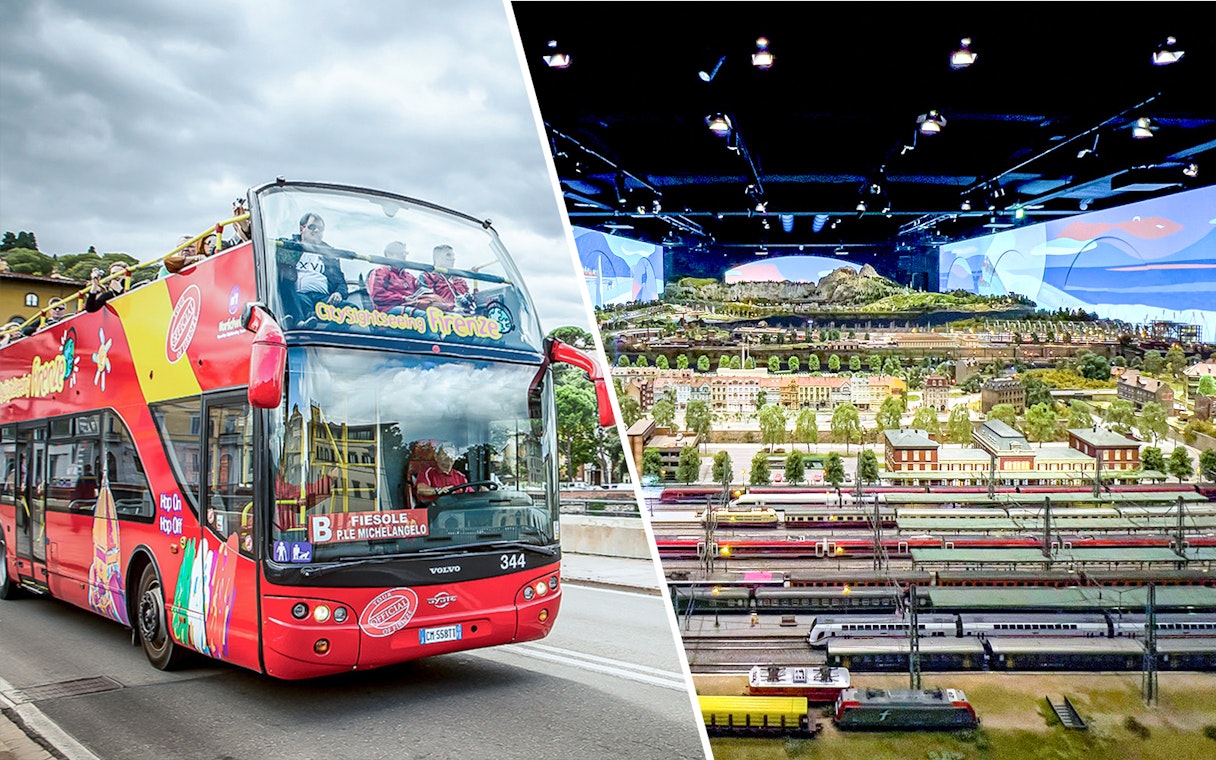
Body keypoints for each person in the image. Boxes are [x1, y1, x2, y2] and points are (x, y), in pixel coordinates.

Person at [287, 213, 351, 325]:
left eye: (320, 229)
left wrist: (338, 294)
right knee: (301, 303)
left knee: (350, 310)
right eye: (312, 227)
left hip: (323, 300)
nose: (316, 231)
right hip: (298, 296)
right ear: (302, 228)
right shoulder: (288, 247)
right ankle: (303, 323)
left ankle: (328, 338)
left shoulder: (329, 255)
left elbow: (341, 283)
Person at [417, 244, 475, 314]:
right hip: (441, 320)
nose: (453, 258)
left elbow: (472, 301)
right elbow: (427, 303)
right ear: (438, 258)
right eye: (448, 255)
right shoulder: (427, 276)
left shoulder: (459, 280)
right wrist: (453, 307)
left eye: (453, 255)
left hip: (468, 319)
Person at [367, 240, 420, 313]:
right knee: (425, 316)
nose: (404, 256)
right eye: (401, 253)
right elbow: (377, 296)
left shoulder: (409, 276)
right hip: (387, 310)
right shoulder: (379, 272)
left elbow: (419, 290)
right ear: (390, 254)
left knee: (435, 312)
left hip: (410, 306)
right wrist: (403, 298)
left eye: (405, 254)